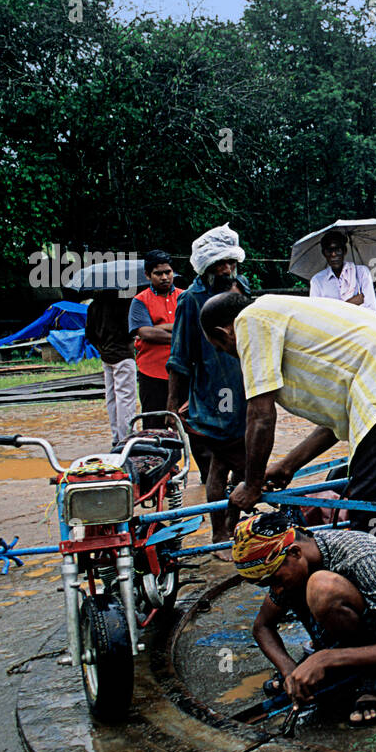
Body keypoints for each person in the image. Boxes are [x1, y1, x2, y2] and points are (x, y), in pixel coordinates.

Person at [200, 292, 376, 574]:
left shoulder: (250, 319)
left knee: (371, 507)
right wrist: (288, 465)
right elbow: (334, 423)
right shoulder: (278, 312)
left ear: (224, 333)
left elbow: (260, 416)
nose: (231, 356)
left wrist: (253, 484)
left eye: (222, 349)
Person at [234, 512, 376, 727]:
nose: (275, 589)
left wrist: (325, 659)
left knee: (322, 588)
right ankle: (337, 656)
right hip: (347, 630)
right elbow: (262, 627)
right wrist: (289, 671)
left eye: (275, 579)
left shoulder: (359, 557)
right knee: (308, 589)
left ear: (295, 552)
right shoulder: (292, 565)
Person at [167, 224, 251, 558]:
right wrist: (173, 402)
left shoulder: (242, 289)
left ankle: (228, 529)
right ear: (205, 267)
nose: (225, 269)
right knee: (234, 461)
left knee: (222, 463)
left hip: (243, 384)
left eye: (229, 263)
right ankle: (222, 528)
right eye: (218, 265)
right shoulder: (190, 299)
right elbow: (180, 353)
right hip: (210, 390)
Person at [127, 249, 182, 415]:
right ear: (147, 275)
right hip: (152, 373)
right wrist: (180, 333)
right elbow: (146, 333)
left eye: (168, 272)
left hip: (183, 371)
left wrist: (159, 326)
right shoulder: (139, 301)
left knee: (188, 424)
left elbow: (194, 327)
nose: (164, 277)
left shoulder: (185, 297)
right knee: (154, 423)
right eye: (158, 273)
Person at [85, 282, 137, 445]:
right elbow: (131, 330)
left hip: (105, 355)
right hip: (123, 355)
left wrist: (101, 349)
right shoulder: (124, 304)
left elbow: (89, 334)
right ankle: (126, 437)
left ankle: (117, 436)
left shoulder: (93, 306)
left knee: (112, 396)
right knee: (126, 398)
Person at [308, 230, 376, 312]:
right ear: (324, 253)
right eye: (329, 251)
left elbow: (371, 309)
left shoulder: (361, 273)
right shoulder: (317, 281)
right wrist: (350, 303)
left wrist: (333, 310)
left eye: (337, 250)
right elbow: (317, 313)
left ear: (344, 251)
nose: (333, 254)